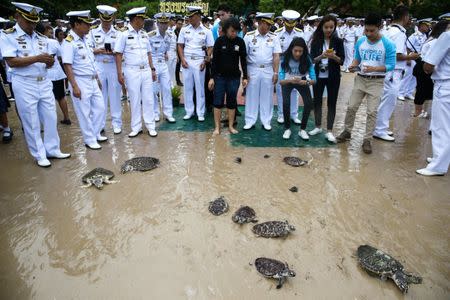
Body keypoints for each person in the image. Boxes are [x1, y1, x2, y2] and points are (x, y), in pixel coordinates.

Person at [0, 2, 70, 167]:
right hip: (24, 83)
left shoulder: (41, 37)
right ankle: (39, 154)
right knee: (31, 120)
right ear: (17, 17)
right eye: (28, 21)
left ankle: (52, 149)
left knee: (51, 117)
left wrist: (49, 62)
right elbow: (11, 62)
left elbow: (47, 61)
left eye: (33, 21)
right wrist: (38, 58)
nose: (31, 25)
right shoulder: (7, 35)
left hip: (44, 80)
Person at [336, 13, 396, 154]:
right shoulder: (361, 41)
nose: (368, 34)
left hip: (377, 81)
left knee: (372, 111)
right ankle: (347, 131)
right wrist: (353, 65)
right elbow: (357, 58)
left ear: (379, 27)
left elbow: (391, 65)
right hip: (360, 79)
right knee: (351, 106)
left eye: (372, 31)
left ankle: (367, 139)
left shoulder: (387, 44)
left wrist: (375, 68)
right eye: (366, 30)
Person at [373, 5, 420, 142]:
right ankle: (379, 130)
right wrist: (411, 57)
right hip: (393, 72)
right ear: (405, 17)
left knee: (385, 100)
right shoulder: (399, 33)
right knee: (389, 101)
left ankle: (381, 126)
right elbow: (397, 55)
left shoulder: (388, 30)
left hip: (387, 70)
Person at [62, 10, 107, 150]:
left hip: (92, 79)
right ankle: (89, 139)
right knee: (84, 112)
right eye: (86, 24)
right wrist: (74, 86)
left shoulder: (85, 39)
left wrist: (97, 79)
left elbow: (91, 62)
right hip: (80, 80)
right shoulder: (69, 42)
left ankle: (95, 133)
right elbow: (67, 65)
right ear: (76, 24)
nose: (89, 26)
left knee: (100, 108)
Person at [114, 7, 158, 137]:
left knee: (148, 99)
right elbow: (118, 54)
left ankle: (150, 126)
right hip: (131, 71)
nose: (143, 21)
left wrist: (152, 69)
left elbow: (149, 53)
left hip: (145, 70)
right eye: (142, 18)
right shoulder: (123, 34)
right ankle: (136, 127)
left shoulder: (144, 33)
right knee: (134, 98)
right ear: (136, 19)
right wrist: (119, 73)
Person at [416, 27, 450, 176]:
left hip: (446, 84)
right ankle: (441, 158)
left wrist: (426, 67)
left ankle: (438, 165)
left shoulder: (447, 35)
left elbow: (429, 65)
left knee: (441, 126)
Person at [208, 17, 248, 135]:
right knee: (218, 102)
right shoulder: (220, 41)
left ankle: (231, 126)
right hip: (220, 77)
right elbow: (214, 62)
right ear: (226, 30)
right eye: (232, 31)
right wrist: (212, 78)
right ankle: (217, 127)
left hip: (234, 77)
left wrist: (245, 77)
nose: (234, 33)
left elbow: (243, 61)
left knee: (231, 101)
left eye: (236, 31)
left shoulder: (240, 42)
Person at [310, 14, 345, 143]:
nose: (329, 29)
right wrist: (322, 56)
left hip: (333, 76)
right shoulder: (316, 41)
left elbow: (342, 61)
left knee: (332, 102)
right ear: (322, 27)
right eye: (326, 27)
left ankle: (329, 131)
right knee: (317, 101)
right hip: (318, 75)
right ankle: (318, 126)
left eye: (332, 27)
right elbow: (312, 59)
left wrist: (333, 57)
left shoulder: (338, 41)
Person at [243, 13, 281, 131]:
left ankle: (266, 121)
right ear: (260, 23)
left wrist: (275, 73)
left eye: (270, 25)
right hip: (252, 68)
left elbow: (276, 56)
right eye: (266, 24)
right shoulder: (249, 36)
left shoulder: (274, 37)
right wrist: (244, 74)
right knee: (251, 95)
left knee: (267, 96)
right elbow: (243, 56)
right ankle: (250, 120)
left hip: (268, 69)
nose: (269, 27)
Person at [90, 5, 123, 135]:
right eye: (104, 20)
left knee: (115, 95)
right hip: (99, 65)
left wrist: (114, 52)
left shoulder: (118, 33)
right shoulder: (92, 32)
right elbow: (87, 49)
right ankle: (100, 124)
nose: (106, 23)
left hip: (113, 65)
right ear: (100, 18)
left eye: (109, 20)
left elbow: (122, 51)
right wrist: (97, 50)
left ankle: (116, 123)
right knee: (100, 97)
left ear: (113, 18)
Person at [177, 6, 214, 122]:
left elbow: (210, 47)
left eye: (192, 16)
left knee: (200, 88)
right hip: (187, 61)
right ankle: (189, 111)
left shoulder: (206, 31)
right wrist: (182, 59)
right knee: (188, 87)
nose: (190, 19)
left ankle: (200, 112)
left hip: (199, 61)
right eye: (189, 17)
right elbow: (180, 45)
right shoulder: (184, 29)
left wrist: (204, 61)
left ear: (198, 16)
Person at [279, 37, 316, 140]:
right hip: (288, 81)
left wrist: (306, 82)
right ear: (291, 49)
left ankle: (302, 130)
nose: (298, 54)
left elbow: (314, 79)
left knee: (308, 103)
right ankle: (287, 128)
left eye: (300, 51)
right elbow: (281, 81)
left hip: (302, 81)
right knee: (286, 103)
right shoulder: (285, 57)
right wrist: (290, 80)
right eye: (295, 51)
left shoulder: (307, 58)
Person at [413, 19, 449, 118]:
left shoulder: (432, 38)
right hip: (425, 66)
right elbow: (431, 60)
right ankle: (418, 112)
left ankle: (423, 111)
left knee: (426, 90)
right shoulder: (436, 40)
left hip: (425, 65)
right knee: (422, 90)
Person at [274, 10, 303, 125]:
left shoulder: (300, 33)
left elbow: (303, 49)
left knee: (295, 90)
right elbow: (276, 52)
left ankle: (294, 115)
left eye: (292, 22)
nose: (290, 24)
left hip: (295, 65)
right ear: (284, 21)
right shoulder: (278, 33)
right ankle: (281, 114)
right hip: (282, 65)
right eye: (288, 22)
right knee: (281, 90)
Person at [148, 13, 176, 123]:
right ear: (157, 23)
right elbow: (148, 52)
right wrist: (151, 68)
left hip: (163, 63)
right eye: (161, 23)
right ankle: (155, 113)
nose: (164, 25)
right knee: (153, 90)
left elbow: (166, 49)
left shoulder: (170, 35)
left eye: (165, 23)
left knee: (167, 88)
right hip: (153, 63)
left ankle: (168, 113)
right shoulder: (151, 35)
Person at [41, 25, 71, 125]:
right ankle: (66, 117)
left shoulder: (39, 42)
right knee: (60, 97)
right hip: (56, 74)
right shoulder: (54, 42)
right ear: (44, 31)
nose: (51, 35)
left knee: (48, 99)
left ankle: (49, 121)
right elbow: (60, 55)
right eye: (50, 33)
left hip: (45, 75)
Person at [398, 18, 431, 102]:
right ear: (422, 26)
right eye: (427, 26)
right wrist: (408, 59)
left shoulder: (424, 36)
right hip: (412, 58)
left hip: (419, 58)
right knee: (407, 76)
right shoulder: (414, 35)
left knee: (415, 77)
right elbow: (408, 47)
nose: (428, 28)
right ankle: (400, 93)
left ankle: (408, 92)